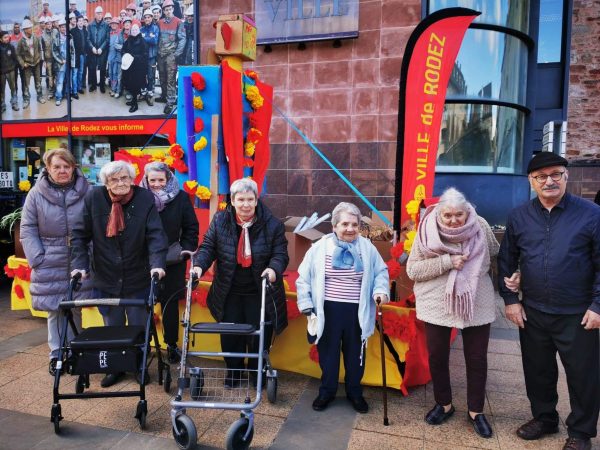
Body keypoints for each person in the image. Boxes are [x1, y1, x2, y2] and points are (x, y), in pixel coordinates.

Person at [498, 152, 600, 450]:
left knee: (583, 376)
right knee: (537, 370)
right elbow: (507, 260)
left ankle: (580, 432)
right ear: (531, 182)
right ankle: (544, 418)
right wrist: (510, 299)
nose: (549, 181)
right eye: (540, 177)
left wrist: (598, 305)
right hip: (534, 311)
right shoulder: (519, 216)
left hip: (578, 313)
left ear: (566, 176)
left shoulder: (592, 214)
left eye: (555, 174)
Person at [406, 188, 499, 438]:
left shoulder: (480, 225)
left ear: (467, 211)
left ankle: (476, 411)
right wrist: (447, 262)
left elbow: (495, 252)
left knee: (477, 358)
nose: (454, 220)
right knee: (437, 356)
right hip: (437, 301)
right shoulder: (427, 227)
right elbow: (412, 270)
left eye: (459, 214)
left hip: (475, 299)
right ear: (439, 213)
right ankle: (444, 404)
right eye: (448, 215)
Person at [71, 160, 168, 388]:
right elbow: (79, 235)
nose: (121, 183)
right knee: (111, 327)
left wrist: (157, 264)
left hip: (138, 275)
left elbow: (156, 235)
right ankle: (115, 368)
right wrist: (80, 264)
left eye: (125, 178)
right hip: (106, 275)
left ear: (132, 179)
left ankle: (139, 364)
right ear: (105, 183)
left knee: (138, 325)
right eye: (114, 179)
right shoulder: (94, 199)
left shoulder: (144, 198)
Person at [191, 178, 289, 387]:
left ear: (256, 200)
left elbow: (280, 253)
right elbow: (208, 247)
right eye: (241, 199)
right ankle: (234, 371)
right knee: (230, 333)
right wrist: (198, 266)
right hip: (229, 289)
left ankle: (256, 372)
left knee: (258, 334)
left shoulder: (272, 224)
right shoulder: (220, 221)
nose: (246, 204)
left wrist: (273, 269)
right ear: (232, 201)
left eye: (250, 199)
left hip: (259, 289)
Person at [296, 202, 390, 414]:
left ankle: (354, 393)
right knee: (328, 355)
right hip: (327, 310)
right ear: (334, 226)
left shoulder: (367, 248)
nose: (350, 228)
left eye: (354, 224)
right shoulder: (320, 247)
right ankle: (327, 391)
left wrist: (380, 291)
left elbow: (381, 273)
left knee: (355, 355)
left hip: (357, 311)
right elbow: (303, 278)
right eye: (345, 224)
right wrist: (306, 303)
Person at [20, 149, 91, 376]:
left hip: (79, 256)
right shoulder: (35, 194)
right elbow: (28, 228)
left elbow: (97, 223)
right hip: (49, 257)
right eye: (57, 167)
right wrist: (37, 257)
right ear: (48, 169)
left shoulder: (88, 191)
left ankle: (75, 351)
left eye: (66, 166)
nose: (62, 171)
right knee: (54, 308)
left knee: (75, 306)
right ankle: (57, 354)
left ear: (73, 168)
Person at [140, 162, 199, 363]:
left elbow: (191, 227)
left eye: (160, 180)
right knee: (143, 304)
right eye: (152, 180)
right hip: (143, 260)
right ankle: (143, 345)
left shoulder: (181, 198)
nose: (156, 184)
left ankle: (171, 345)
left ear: (168, 179)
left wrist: (184, 250)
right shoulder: (137, 197)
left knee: (170, 305)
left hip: (172, 259)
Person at [156, 0, 185, 114]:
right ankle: (164, 96)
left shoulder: (178, 22)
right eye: (166, 10)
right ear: (163, 11)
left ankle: (170, 102)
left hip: (171, 56)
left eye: (169, 9)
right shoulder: (160, 22)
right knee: (162, 77)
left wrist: (176, 54)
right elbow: (157, 38)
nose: (168, 11)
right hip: (160, 55)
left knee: (171, 79)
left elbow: (182, 39)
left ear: (173, 9)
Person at [16, 19, 46, 109]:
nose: (31, 29)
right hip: (27, 65)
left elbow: (40, 49)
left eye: (31, 27)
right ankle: (26, 99)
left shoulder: (36, 38)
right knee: (26, 83)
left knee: (38, 81)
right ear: (25, 30)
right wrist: (22, 63)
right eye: (29, 28)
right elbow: (17, 54)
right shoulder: (21, 41)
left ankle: (39, 96)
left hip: (36, 63)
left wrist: (40, 59)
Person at [121, 23, 147, 113]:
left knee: (136, 86)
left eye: (136, 30)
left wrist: (134, 57)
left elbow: (145, 55)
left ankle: (135, 104)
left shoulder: (142, 41)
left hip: (138, 68)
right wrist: (125, 54)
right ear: (131, 31)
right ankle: (133, 101)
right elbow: (123, 49)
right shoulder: (128, 40)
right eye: (133, 30)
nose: (134, 31)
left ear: (139, 31)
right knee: (130, 85)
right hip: (129, 67)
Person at [87, 6, 109, 93]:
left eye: (101, 13)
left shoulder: (106, 25)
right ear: (95, 14)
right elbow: (88, 39)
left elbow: (107, 39)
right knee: (92, 68)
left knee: (103, 68)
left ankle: (102, 85)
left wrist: (101, 48)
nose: (100, 15)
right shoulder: (90, 25)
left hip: (102, 51)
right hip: (93, 50)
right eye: (98, 13)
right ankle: (93, 84)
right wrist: (92, 47)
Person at [52, 18, 73, 106]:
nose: (64, 28)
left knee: (68, 80)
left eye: (65, 27)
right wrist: (61, 60)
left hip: (68, 63)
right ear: (59, 28)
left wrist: (70, 58)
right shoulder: (56, 39)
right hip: (60, 64)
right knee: (60, 81)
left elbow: (72, 49)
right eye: (62, 27)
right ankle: (58, 97)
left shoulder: (70, 37)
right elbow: (54, 52)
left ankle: (67, 95)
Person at [140, 9, 159, 106]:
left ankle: (150, 93)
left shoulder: (155, 28)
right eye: (145, 17)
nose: (147, 19)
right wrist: (149, 38)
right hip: (143, 56)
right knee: (142, 74)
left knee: (151, 75)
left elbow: (154, 41)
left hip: (151, 56)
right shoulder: (141, 29)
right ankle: (143, 92)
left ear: (152, 18)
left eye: (149, 17)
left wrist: (144, 38)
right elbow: (140, 41)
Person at [0, 31, 19, 113]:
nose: (7, 39)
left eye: (8, 37)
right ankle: (2, 104)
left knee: (13, 88)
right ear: (0, 39)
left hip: (11, 71)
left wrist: (13, 67)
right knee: (1, 89)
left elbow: (15, 58)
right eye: (5, 37)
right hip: (1, 73)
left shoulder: (11, 47)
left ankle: (14, 102)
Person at [107, 17, 122, 98]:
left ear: (118, 24)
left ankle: (116, 89)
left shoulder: (120, 33)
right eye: (112, 24)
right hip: (110, 56)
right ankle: (113, 88)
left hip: (117, 56)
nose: (114, 25)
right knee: (110, 73)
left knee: (115, 73)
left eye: (115, 23)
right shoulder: (109, 33)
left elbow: (122, 45)